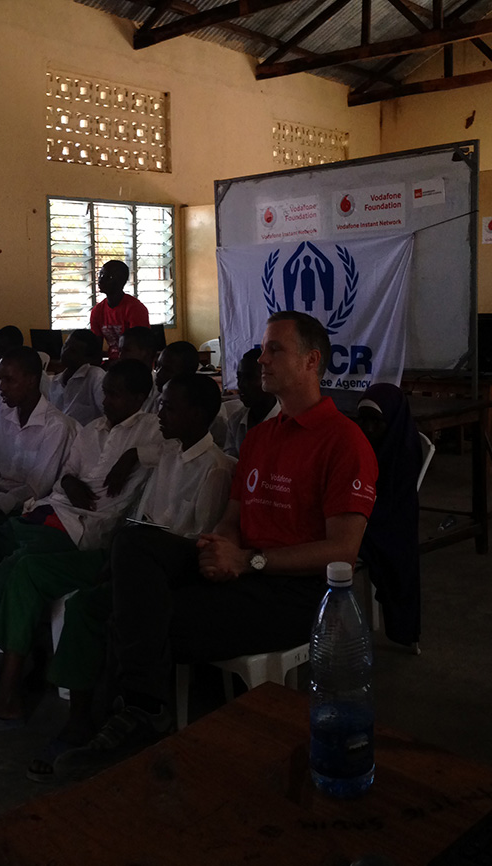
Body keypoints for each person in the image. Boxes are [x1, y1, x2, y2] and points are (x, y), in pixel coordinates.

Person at [56, 311, 378, 781]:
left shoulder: (343, 441)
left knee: (140, 619)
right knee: (134, 543)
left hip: (297, 590)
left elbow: (342, 552)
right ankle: (140, 714)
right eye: (263, 348)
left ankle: (134, 719)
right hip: (244, 567)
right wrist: (219, 548)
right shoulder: (261, 437)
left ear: (312, 362)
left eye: (275, 350)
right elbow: (232, 519)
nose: (261, 359)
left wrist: (248, 561)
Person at [25, 372, 232, 781]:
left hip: (171, 575)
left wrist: (135, 553)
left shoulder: (215, 470)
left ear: (199, 415)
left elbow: (195, 545)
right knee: (84, 601)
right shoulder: (169, 451)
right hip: (138, 562)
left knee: (101, 608)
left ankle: (106, 720)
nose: (159, 414)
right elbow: (140, 495)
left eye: (169, 407)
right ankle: (83, 714)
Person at [0, 360, 161, 737]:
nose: (106, 400)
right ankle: (18, 649)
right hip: (42, 514)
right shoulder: (91, 429)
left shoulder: (150, 429)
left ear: (141, 398)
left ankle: (14, 667)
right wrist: (71, 482)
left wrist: (134, 455)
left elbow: (178, 444)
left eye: (116, 393)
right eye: (105, 391)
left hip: (76, 529)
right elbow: (67, 472)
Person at [0, 347, 79, 532]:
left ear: (31, 380)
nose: (1, 387)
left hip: (24, 510)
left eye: (9, 380)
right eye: (0, 379)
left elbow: (36, 489)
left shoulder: (55, 426)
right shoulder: (4, 416)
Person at [354, 383, 423, 648]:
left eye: (376, 422)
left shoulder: (403, 452)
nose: (367, 429)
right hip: (367, 513)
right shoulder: (362, 444)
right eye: (362, 421)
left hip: (389, 523)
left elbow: (392, 508)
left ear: (392, 422)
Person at [214, 348, 276, 458]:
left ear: (271, 379)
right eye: (239, 377)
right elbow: (231, 464)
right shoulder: (236, 421)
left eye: (249, 377)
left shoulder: (286, 422)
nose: (241, 384)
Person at [88, 260, 148, 361]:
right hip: (113, 364)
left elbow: (140, 350)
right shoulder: (97, 310)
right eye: (100, 275)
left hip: (134, 365)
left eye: (109, 277)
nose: (101, 280)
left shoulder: (135, 308)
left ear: (121, 281)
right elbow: (96, 348)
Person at [47, 330, 106, 426]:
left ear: (87, 358)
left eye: (73, 351)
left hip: (86, 437)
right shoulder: (55, 382)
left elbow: (107, 412)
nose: (65, 352)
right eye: (65, 346)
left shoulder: (95, 376)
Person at [152, 341, 200, 415]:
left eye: (167, 370)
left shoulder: (189, 413)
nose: (158, 373)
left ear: (187, 374)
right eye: (158, 366)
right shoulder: (155, 399)